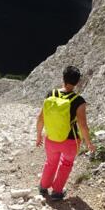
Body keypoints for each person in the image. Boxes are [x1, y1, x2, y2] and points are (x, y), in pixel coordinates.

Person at [36, 65, 96, 201]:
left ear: (63, 78)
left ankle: (43, 187)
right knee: (66, 164)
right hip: (70, 141)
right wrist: (88, 142)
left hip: (51, 139)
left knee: (51, 162)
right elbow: (83, 126)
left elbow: (40, 118)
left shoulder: (50, 94)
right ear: (77, 82)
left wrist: (39, 135)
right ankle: (57, 192)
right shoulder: (79, 101)